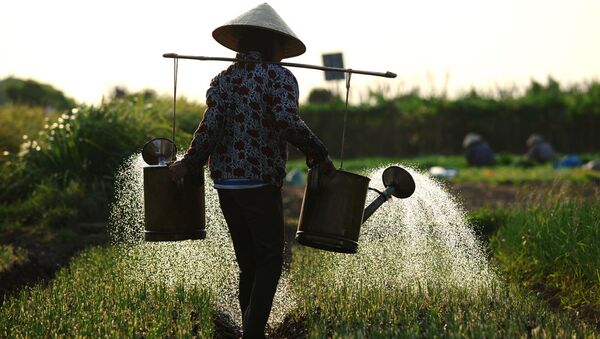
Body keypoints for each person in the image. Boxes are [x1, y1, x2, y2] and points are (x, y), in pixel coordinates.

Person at [168, 3, 334, 338]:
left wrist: (190, 162)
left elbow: (210, 127)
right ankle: (253, 333)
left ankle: (249, 328)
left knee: (249, 263)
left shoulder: (223, 80)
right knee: (270, 261)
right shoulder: (280, 77)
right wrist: (318, 153)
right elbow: (287, 121)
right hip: (260, 182)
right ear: (274, 46)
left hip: (226, 183)